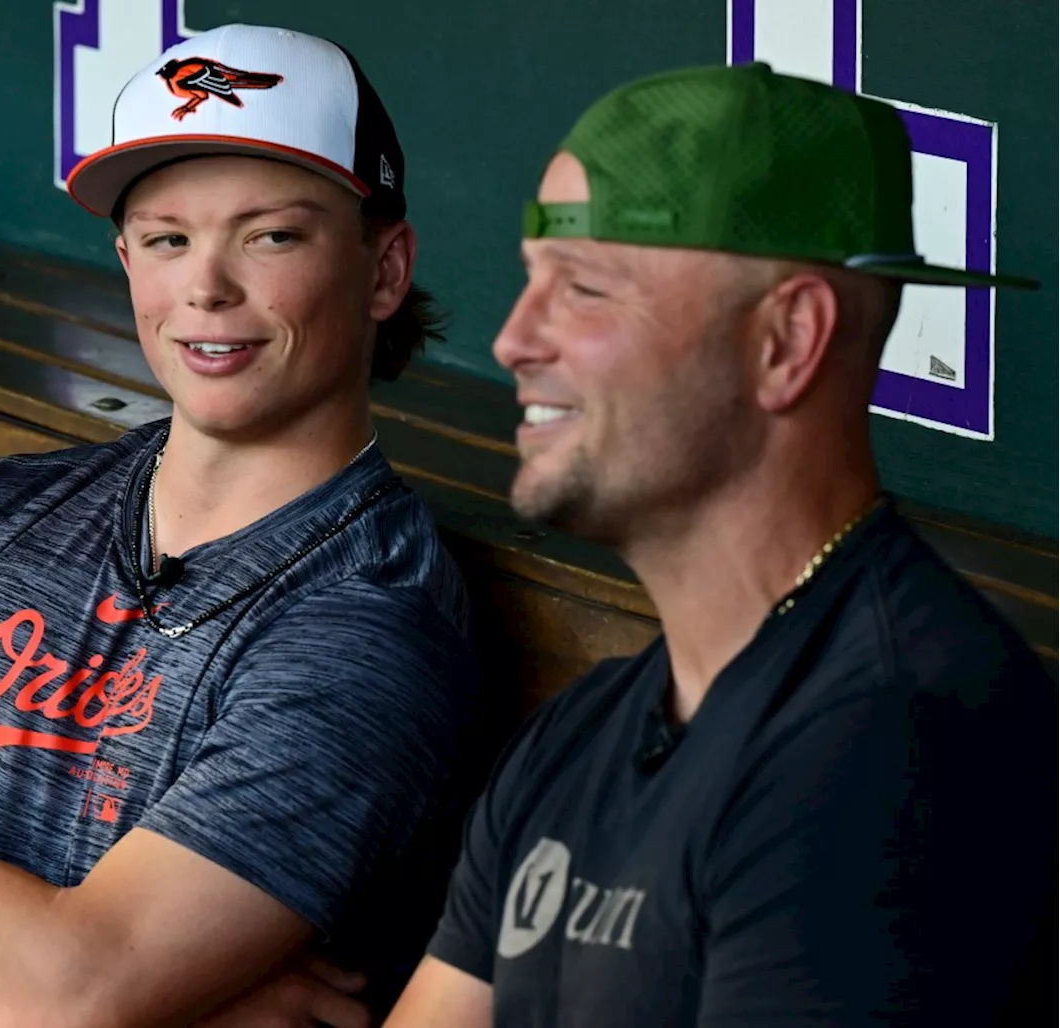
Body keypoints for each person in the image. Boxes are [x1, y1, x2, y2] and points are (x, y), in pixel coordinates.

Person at [0, 23, 481, 1028]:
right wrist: (166, 1008)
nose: (206, 286)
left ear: (383, 270)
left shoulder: (366, 624)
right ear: (125, 259)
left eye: (270, 234)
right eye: (167, 238)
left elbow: (66, 991)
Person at [380, 63, 1058, 1026]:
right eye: (534, 284)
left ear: (787, 341)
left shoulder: (895, 745)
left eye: (584, 288)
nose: (513, 339)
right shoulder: (585, 733)